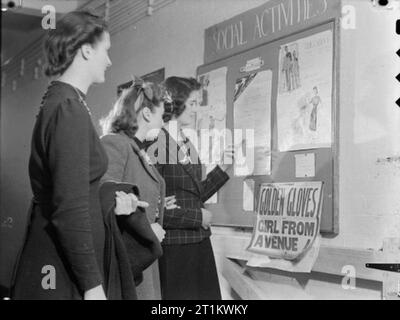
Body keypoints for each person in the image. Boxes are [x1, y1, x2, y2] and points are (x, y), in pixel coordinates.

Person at [11, 11, 138, 300]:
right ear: (85, 50)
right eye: (105, 50)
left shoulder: (64, 101)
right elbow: (70, 207)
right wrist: (93, 287)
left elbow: (73, 191)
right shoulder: (68, 108)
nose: (108, 60)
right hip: (60, 269)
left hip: (61, 263)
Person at [150, 76, 234, 300]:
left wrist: (223, 167)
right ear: (177, 103)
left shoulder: (186, 143)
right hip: (176, 248)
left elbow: (194, 195)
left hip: (199, 244)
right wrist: (198, 218)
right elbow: (154, 208)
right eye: (194, 103)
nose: (199, 110)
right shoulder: (156, 142)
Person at [100, 78, 177, 299]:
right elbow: (104, 202)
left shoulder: (137, 149)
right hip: (128, 258)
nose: (163, 124)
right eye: (162, 117)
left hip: (143, 259)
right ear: (146, 114)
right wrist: (147, 232)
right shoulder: (115, 143)